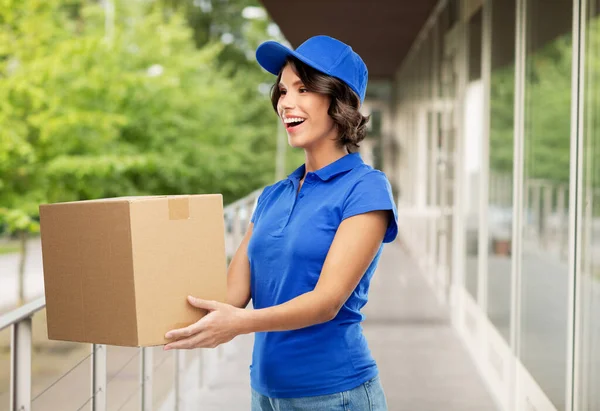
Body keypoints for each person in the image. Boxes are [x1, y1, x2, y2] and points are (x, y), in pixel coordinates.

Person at [164, 35, 398, 411]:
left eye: (303, 89)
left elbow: (326, 303)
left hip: (335, 394)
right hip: (266, 392)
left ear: (340, 101)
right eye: (283, 90)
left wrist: (239, 324)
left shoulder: (366, 189)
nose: (286, 102)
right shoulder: (273, 194)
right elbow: (231, 296)